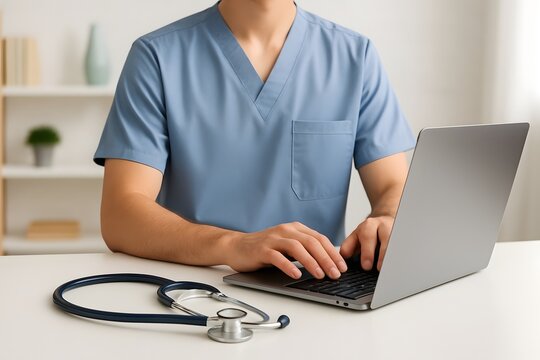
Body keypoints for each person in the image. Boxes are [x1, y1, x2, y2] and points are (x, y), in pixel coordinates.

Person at [94, 0, 415, 281]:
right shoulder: (157, 57)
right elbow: (121, 214)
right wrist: (232, 244)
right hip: (196, 288)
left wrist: (385, 218)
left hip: (319, 286)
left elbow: (394, 187)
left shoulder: (355, 57)